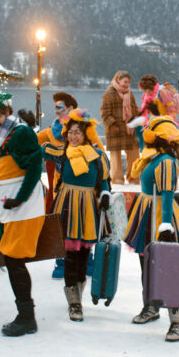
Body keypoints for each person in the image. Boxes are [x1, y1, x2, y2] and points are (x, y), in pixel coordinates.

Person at [0, 89, 45, 337]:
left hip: (23, 207)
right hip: (10, 207)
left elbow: (35, 164)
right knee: (12, 260)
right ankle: (26, 314)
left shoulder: (20, 132)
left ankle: (27, 317)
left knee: (14, 261)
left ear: (6, 110)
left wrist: (20, 197)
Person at [124, 115, 179, 342]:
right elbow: (140, 140)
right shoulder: (152, 157)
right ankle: (151, 306)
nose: (145, 134)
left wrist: (165, 224)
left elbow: (167, 194)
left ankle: (178, 321)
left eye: (150, 131)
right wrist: (138, 125)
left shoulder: (165, 161)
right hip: (147, 213)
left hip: (160, 217)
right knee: (146, 264)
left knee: (168, 268)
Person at [43, 112, 111, 321]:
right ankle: (73, 301)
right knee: (69, 255)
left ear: (87, 134)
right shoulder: (62, 152)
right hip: (67, 204)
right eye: (70, 133)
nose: (73, 137)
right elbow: (37, 151)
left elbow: (105, 180)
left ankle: (78, 294)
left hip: (88, 205)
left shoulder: (97, 155)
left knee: (83, 254)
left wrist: (106, 195)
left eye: (78, 133)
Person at [39, 93, 104, 279]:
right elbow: (36, 144)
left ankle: (86, 258)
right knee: (63, 222)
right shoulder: (53, 130)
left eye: (59, 106)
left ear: (70, 108)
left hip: (85, 186)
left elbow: (99, 152)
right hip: (61, 184)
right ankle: (61, 260)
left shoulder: (82, 127)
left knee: (84, 220)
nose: (56, 110)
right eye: (55, 107)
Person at [100, 71, 139, 185]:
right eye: (125, 81)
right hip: (115, 130)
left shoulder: (129, 94)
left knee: (134, 152)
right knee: (115, 156)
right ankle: (117, 180)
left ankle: (134, 179)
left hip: (129, 129)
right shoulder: (109, 94)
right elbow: (105, 114)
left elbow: (135, 108)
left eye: (129, 82)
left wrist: (136, 119)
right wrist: (113, 125)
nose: (127, 84)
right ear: (118, 80)